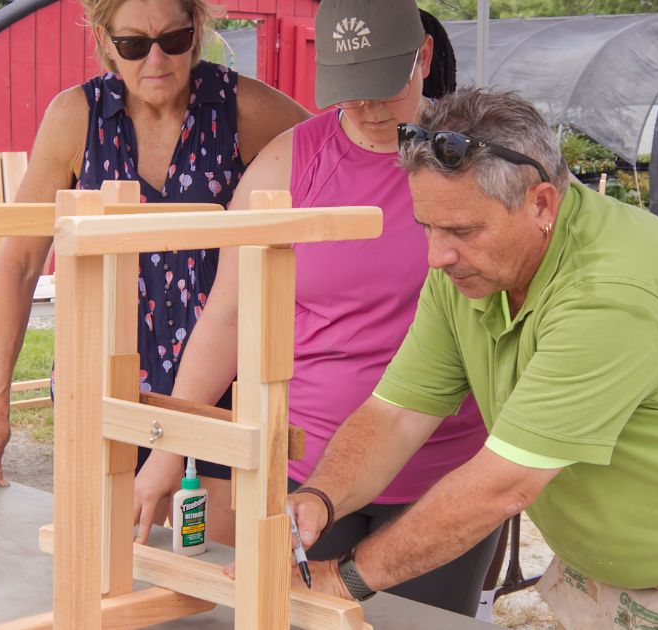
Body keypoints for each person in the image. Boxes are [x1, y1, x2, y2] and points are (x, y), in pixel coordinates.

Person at [287, 88, 658, 628]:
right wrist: (321, 497)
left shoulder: (614, 286)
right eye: (426, 226)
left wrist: (347, 578)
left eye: (461, 230)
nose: (437, 256)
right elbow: (399, 412)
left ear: (541, 203)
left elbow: (505, 484)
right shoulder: (470, 270)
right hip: (628, 577)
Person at [132, 0, 496, 615]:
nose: (371, 110)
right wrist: (168, 451)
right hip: (308, 463)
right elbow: (228, 317)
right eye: (352, 94)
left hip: (445, 467)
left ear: (424, 57)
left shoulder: (481, 159)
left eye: (386, 87)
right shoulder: (287, 164)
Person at [0, 0, 309, 495]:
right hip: (99, 381)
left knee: (208, 554)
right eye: (134, 45)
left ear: (197, 29)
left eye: (174, 40)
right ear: (105, 42)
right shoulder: (76, 117)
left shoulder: (245, 108)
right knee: (104, 555)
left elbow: (336, 165)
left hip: (220, 385)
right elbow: (18, 264)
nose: (156, 61)